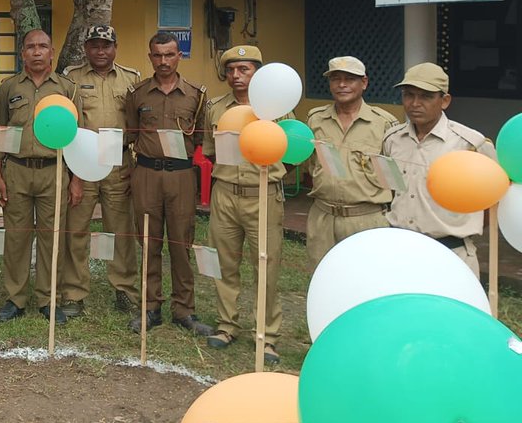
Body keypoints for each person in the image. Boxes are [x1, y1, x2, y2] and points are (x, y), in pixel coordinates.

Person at [123, 32, 212, 336]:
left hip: (181, 176)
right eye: (157, 55)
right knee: (148, 242)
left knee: (180, 243)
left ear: (179, 56)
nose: (163, 61)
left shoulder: (196, 95)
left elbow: (200, 137)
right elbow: (130, 133)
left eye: (169, 54)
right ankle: (150, 308)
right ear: (150, 57)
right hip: (146, 173)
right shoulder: (137, 93)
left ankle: (184, 310)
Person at [203, 46, 284, 364]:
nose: (236, 76)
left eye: (245, 69)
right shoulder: (215, 108)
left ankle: (268, 335)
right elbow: (210, 150)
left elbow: (290, 151)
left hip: (261, 194)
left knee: (266, 264)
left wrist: (269, 177)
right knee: (224, 262)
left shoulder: (276, 107)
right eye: (231, 70)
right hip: (225, 192)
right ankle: (226, 325)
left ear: (258, 73)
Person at [0, 28, 76, 325]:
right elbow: (1, 131)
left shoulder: (66, 88)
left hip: (54, 171)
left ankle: (48, 299)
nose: (37, 52)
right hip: (17, 170)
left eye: (43, 46)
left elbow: (75, 137)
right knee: (16, 238)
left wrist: (75, 178)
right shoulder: (9, 87)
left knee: (53, 237)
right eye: (31, 47)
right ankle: (15, 298)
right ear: (22, 53)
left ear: (52, 52)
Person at [383, 62, 495, 276]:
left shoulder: (470, 144)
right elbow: (392, 190)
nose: (415, 103)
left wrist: (460, 226)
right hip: (400, 250)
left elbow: (492, 200)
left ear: (444, 101)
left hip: (450, 253)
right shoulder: (392, 139)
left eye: (426, 96)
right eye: (409, 95)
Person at [62, 25, 142, 318]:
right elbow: (69, 124)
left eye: (105, 45)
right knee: (76, 229)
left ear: (115, 48)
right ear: (85, 48)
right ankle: (73, 293)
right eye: (94, 45)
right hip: (82, 161)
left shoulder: (131, 79)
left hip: (118, 163)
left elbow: (137, 124)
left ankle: (124, 290)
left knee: (121, 229)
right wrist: (75, 176)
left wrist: (134, 164)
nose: (100, 51)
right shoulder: (72, 78)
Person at [305, 56, 398, 269]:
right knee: (323, 281)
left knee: (366, 283)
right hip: (323, 218)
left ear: (363, 83)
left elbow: (394, 178)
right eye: (335, 79)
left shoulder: (384, 123)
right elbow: (311, 163)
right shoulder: (315, 119)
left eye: (350, 79)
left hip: (367, 218)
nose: (342, 85)